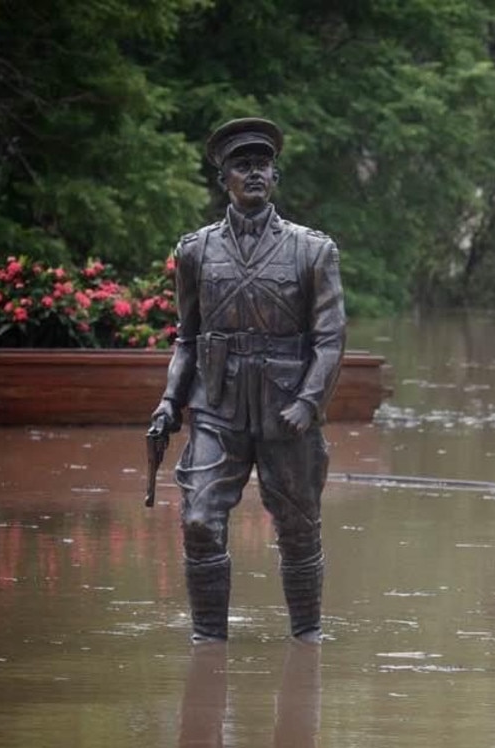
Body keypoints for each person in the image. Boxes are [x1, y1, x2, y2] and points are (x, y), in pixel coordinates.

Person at [150, 117, 346, 645]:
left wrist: (309, 402)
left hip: (287, 407)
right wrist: (171, 400)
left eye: (262, 164)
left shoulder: (313, 250)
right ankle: (208, 642)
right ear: (225, 181)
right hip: (218, 402)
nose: (254, 173)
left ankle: (307, 637)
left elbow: (330, 340)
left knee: (299, 527)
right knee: (198, 519)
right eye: (242, 165)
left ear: (275, 176)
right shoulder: (194, 251)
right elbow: (186, 338)